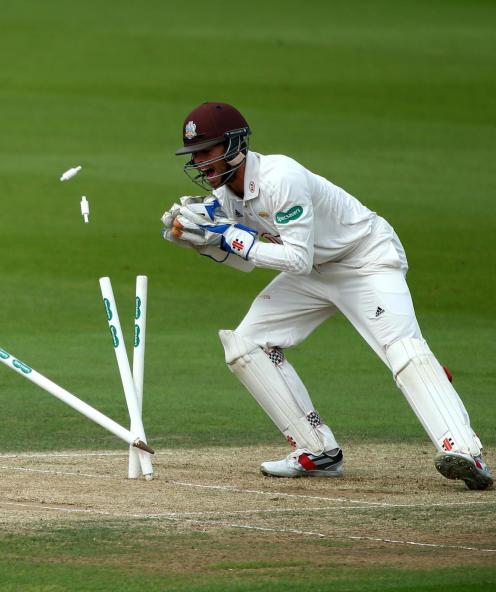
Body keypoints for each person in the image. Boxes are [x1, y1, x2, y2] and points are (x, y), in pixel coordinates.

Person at [160, 101, 492, 490]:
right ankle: (316, 451)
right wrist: (199, 240)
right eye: (194, 154)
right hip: (315, 270)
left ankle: (467, 453)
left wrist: (230, 236)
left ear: (234, 145)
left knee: (402, 349)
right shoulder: (228, 194)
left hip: (364, 259)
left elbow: (294, 259)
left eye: (206, 151)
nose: (199, 162)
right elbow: (249, 262)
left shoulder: (281, 177)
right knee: (246, 345)